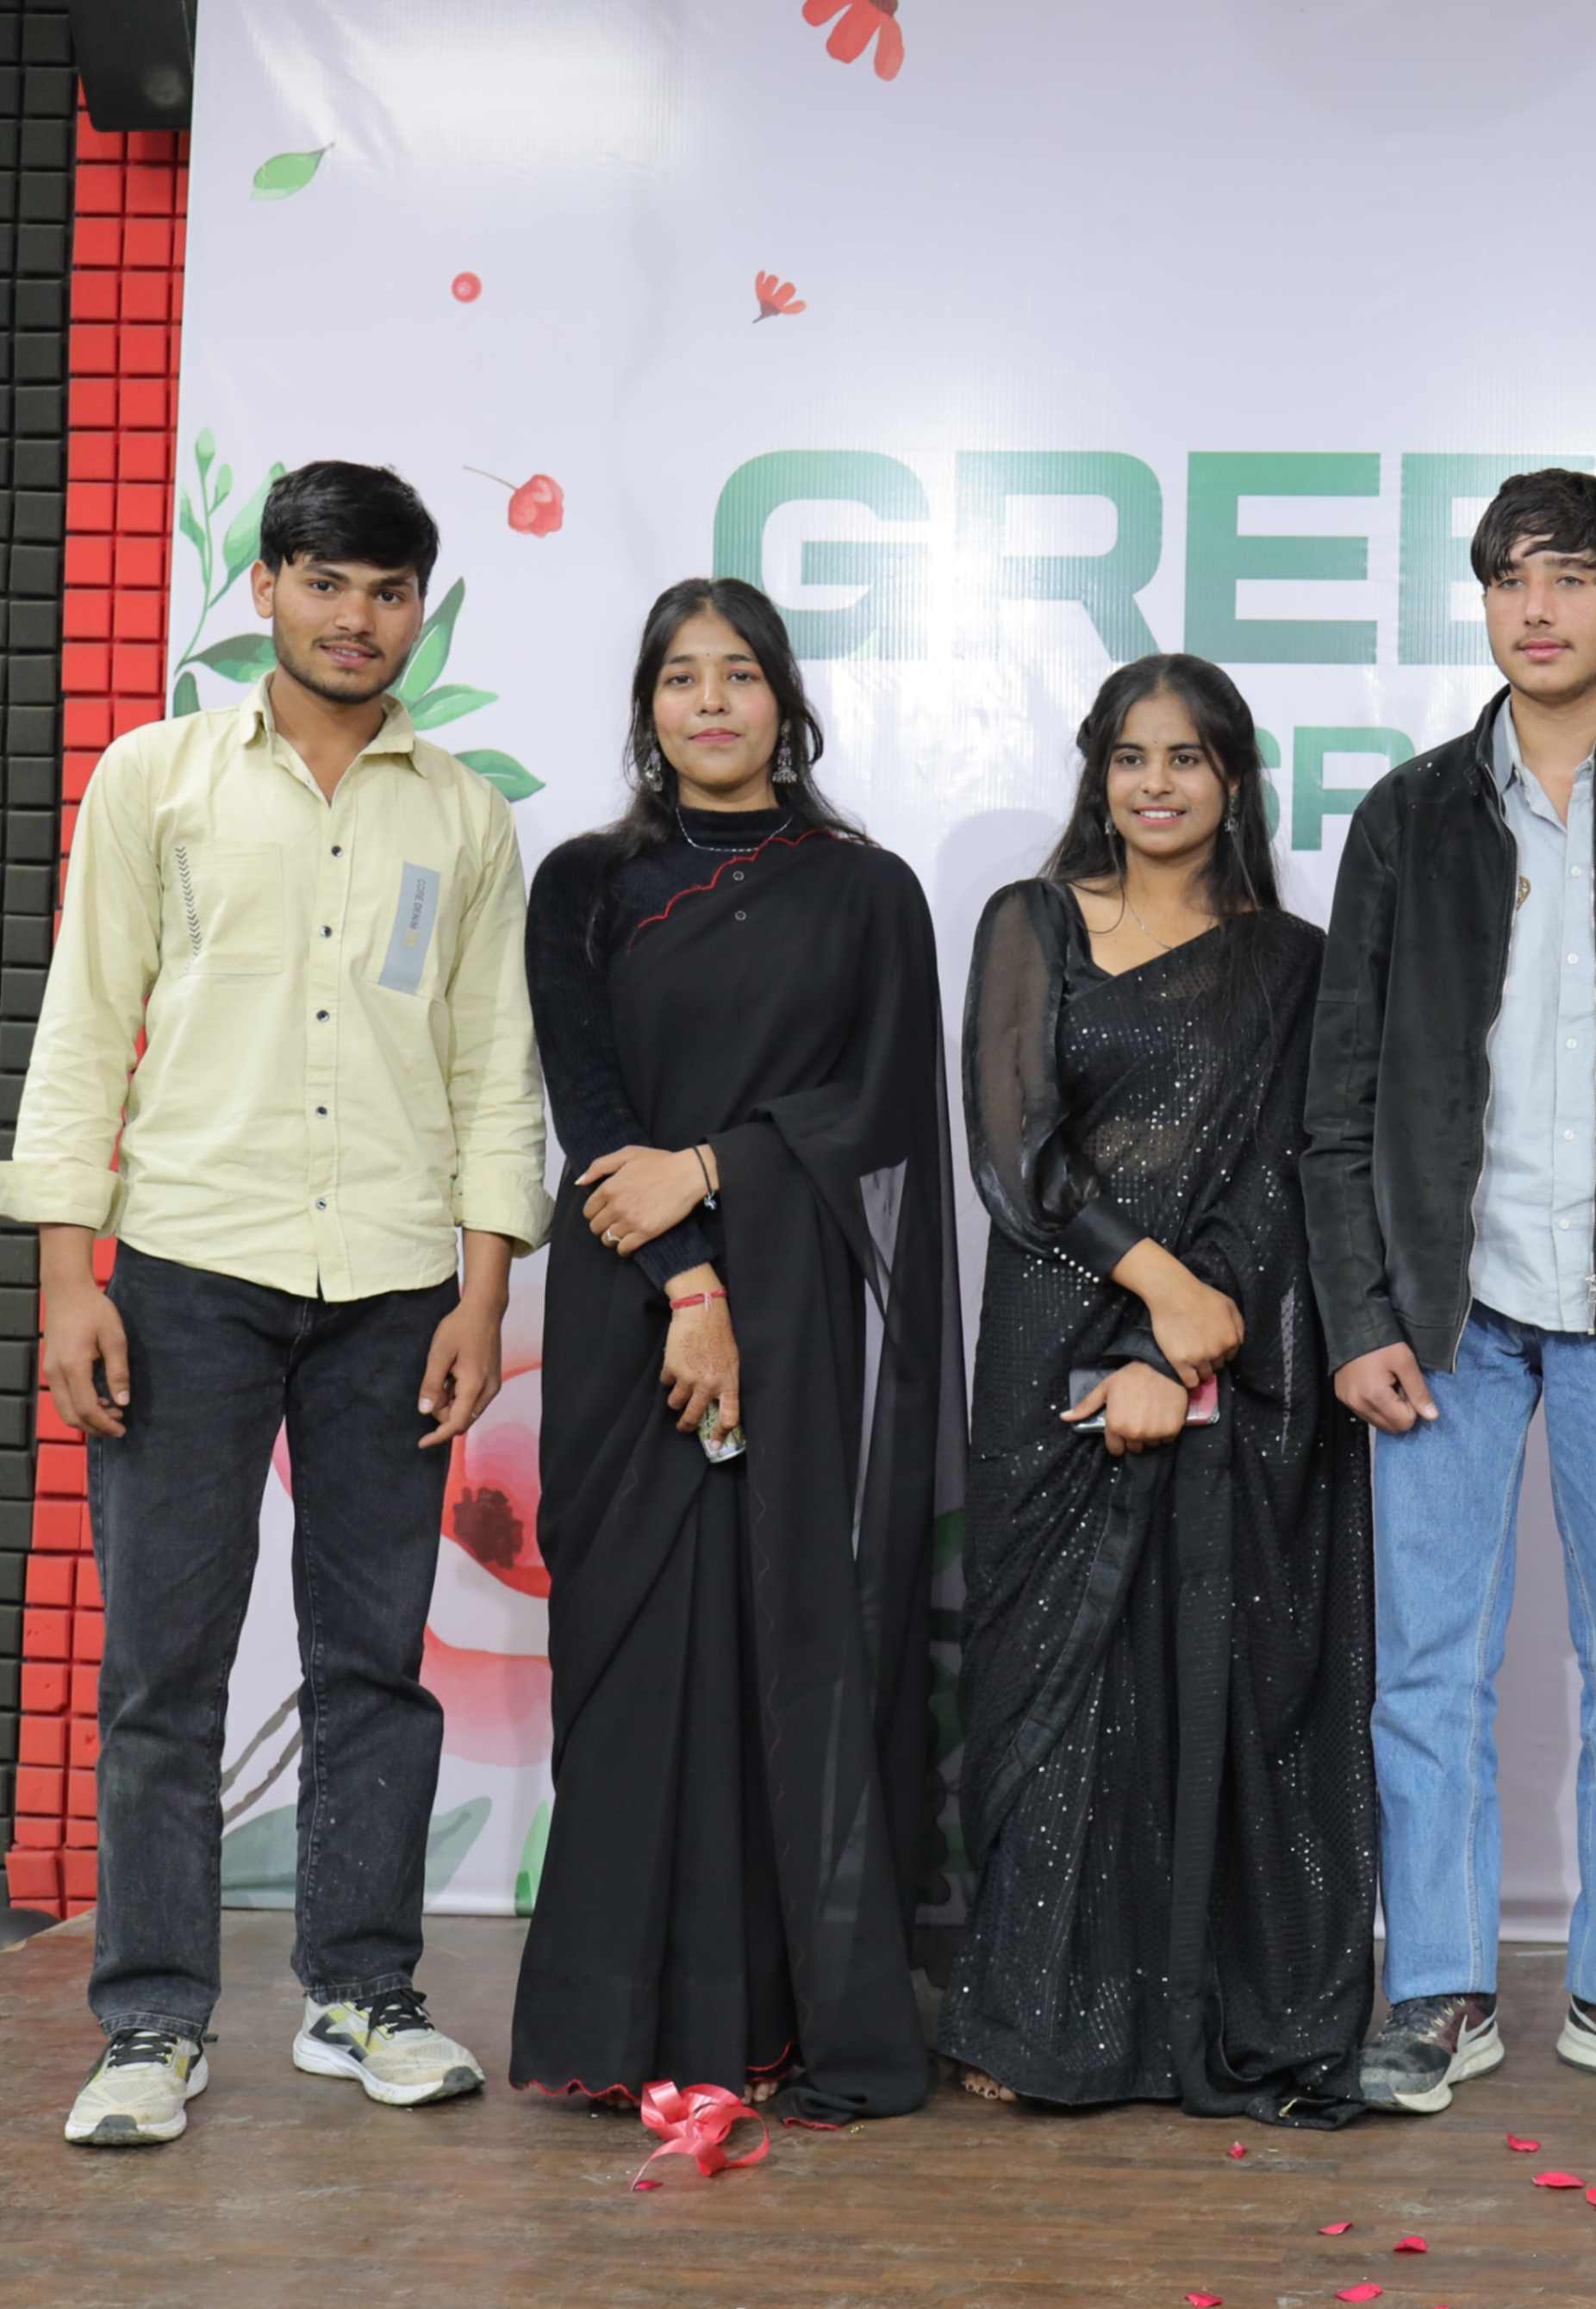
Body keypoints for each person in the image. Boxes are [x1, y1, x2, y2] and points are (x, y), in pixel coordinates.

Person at [3, 462, 545, 2146]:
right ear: (264, 587)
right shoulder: (154, 777)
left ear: (418, 608)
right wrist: (69, 1277)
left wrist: (482, 1295)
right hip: (186, 1267)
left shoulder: (462, 814)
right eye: (324, 581)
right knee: (164, 1670)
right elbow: (83, 1026)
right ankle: (151, 2022)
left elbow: (494, 1066)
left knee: (374, 1662)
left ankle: (362, 1994)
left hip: (395, 1283)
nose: (355, 618)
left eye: (387, 590)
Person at [1303, 467, 1596, 2116]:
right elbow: (1340, 1097)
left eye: (1571, 575)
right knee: (1427, 1666)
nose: (1538, 606)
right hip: (1448, 1314)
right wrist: (1360, 1312)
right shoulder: (1409, 815)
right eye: (1511, 576)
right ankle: (1437, 1987)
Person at [506, 577, 959, 2123]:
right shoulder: (584, 883)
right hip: (626, 1304)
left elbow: (884, 1109)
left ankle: (773, 2014)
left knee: (786, 1642)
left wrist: (713, 1175)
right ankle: (616, 2023)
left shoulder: (865, 890)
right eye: (680, 676)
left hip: (794, 1308)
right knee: (629, 1654)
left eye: (740, 674)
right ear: (647, 707)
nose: (710, 701)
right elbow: (589, 1103)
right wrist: (686, 1282)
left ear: (786, 701)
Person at [938, 654, 1373, 2122]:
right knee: (1046, 1692)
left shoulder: (1290, 962)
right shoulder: (1034, 922)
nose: (1156, 784)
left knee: (1209, 1671)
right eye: (1130, 757)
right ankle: (1035, 2020)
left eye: (1186, 757)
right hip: (1049, 1345)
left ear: (1233, 779)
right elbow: (1015, 1153)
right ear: (1097, 774)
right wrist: (1152, 1294)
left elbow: (1288, 1173)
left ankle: (1184, 2015)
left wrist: (1171, 1349)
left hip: (1223, 1362)